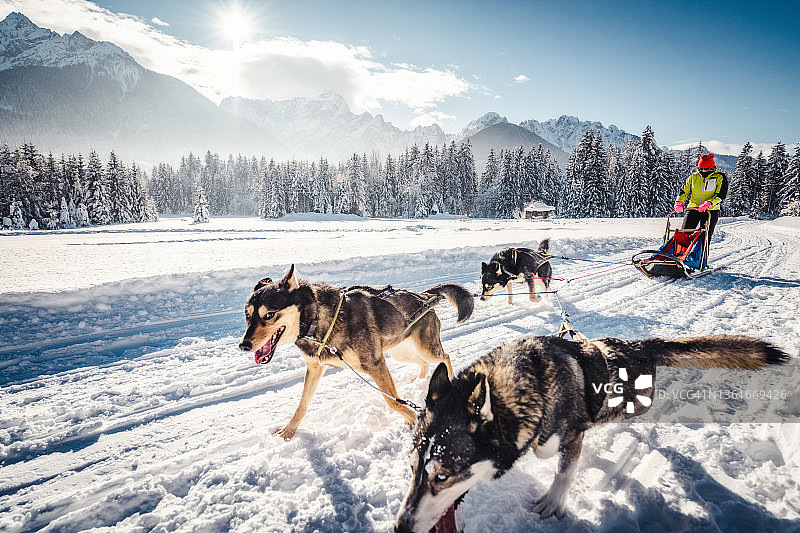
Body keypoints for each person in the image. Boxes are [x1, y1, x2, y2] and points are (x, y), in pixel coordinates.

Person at [673, 153, 728, 243]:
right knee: (684, 234)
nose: (702, 171)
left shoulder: (720, 177)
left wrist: (709, 203)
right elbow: (684, 191)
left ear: (711, 168)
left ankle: (701, 256)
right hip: (693, 209)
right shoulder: (693, 177)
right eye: (700, 168)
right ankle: (681, 255)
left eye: (705, 169)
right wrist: (679, 202)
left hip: (710, 211)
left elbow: (721, 195)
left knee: (704, 238)